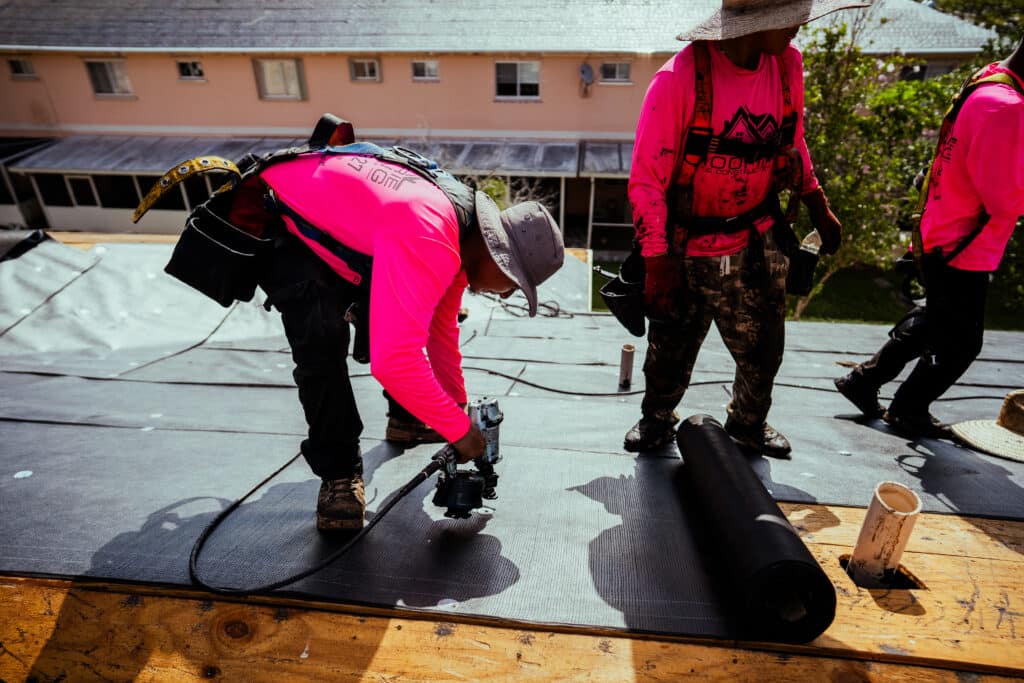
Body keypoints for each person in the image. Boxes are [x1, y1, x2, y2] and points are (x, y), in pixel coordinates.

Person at [240, 147, 564, 531]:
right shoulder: (432, 236)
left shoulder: (461, 234)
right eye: (512, 283)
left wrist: (456, 411)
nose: (506, 293)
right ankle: (340, 476)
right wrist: (461, 432)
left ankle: (407, 418)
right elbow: (393, 362)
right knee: (322, 343)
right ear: (499, 255)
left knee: (402, 316)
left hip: (345, 230)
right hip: (282, 217)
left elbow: (439, 330)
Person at [624, 0, 864, 458]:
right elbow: (646, 182)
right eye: (789, 19)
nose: (797, 28)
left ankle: (748, 425)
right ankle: (656, 420)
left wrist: (816, 200)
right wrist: (657, 262)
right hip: (685, 245)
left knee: (764, 347)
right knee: (670, 350)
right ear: (756, 24)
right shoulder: (679, 80)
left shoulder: (787, 64)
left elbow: (792, 139)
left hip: (756, 235)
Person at [835, 35, 1024, 439]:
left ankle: (864, 381)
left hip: (942, 227)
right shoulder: (1007, 107)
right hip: (964, 242)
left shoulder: (988, 80)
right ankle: (909, 408)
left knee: (936, 317)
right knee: (961, 341)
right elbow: (1004, 198)